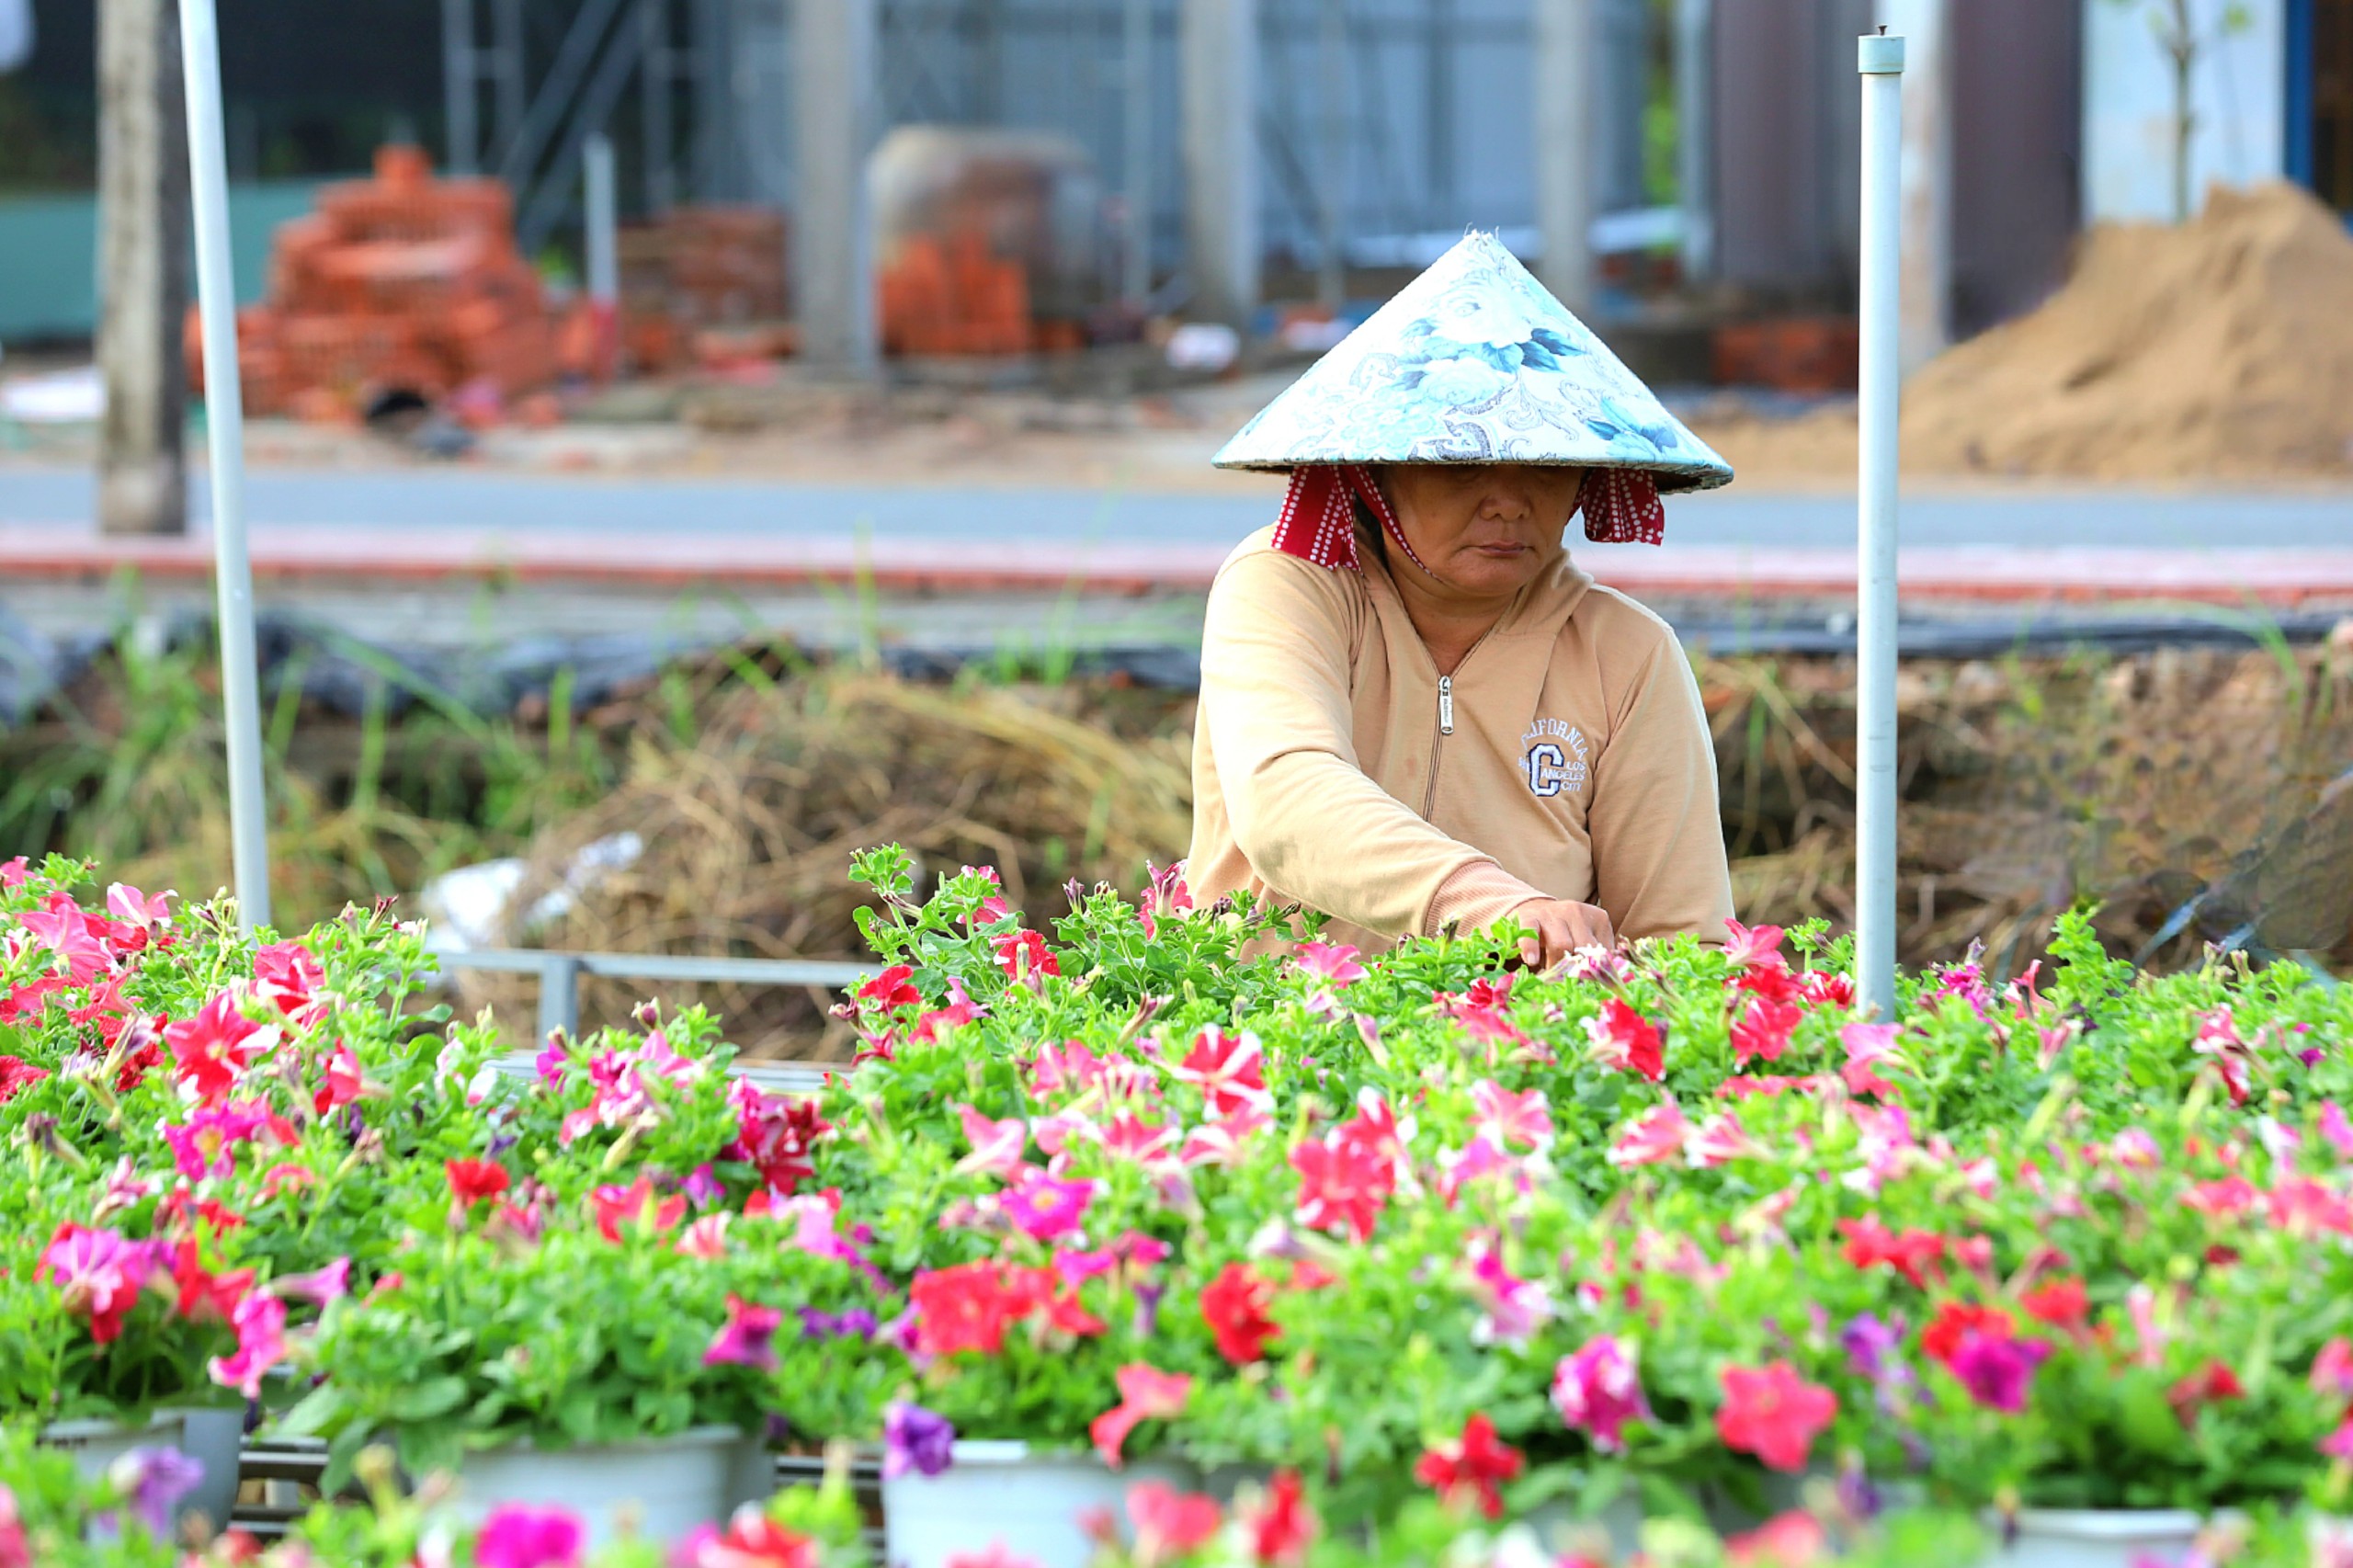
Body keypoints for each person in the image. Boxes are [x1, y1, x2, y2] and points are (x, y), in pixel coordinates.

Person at [1187, 232, 1736, 971]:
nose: (1507, 504)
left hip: (1512, 1066)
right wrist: (1494, 907)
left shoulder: (1626, 655)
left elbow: (1683, 942)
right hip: (1278, 1041)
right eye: (1461, 464)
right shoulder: (1288, 584)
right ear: (1376, 472)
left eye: (1545, 465)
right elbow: (1287, 797)